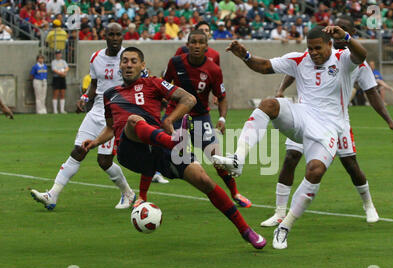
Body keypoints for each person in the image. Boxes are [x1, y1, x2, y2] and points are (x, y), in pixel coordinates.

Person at [81, 46, 266, 249]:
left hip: (158, 149)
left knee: (204, 180)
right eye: (125, 61)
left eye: (134, 61)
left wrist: (170, 119)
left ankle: (246, 230)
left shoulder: (154, 83)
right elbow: (111, 127)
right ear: (120, 65)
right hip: (130, 151)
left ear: (143, 65)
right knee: (134, 120)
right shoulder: (110, 94)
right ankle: (173, 142)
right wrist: (96, 142)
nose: (128, 64)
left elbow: (189, 99)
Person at [213, 26, 368, 249]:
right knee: (268, 105)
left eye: (318, 48)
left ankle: (285, 225)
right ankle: (238, 158)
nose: (313, 52)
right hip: (302, 115)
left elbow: (361, 55)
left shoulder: (342, 59)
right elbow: (265, 66)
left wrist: (346, 37)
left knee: (315, 171)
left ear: (329, 45)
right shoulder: (299, 59)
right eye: (310, 48)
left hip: (328, 128)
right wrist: (245, 56)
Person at [260, 16, 393, 228]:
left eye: (342, 29)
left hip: (337, 122)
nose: (335, 32)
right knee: (290, 158)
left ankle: (368, 204)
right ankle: (279, 212)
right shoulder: (317, 54)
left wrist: (389, 120)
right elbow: (295, 69)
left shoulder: (354, 60)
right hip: (305, 116)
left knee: (351, 165)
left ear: (350, 32)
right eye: (333, 28)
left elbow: (371, 92)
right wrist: (281, 89)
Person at [136, 30, 252, 208]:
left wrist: (222, 118)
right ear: (187, 44)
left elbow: (221, 97)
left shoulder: (213, 69)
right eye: (193, 42)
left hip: (201, 118)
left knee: (216, 157)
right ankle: (141, 197)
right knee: (156, 151)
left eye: (200, 42)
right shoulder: (175, 63)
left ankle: (235, 193)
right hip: (176, 115)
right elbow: (162, 86)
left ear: (206, 46)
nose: (196, 46)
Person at [30, 23, 135, 211]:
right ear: (105, 36)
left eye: (118, 34)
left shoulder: (129, 58)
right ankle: (52, 195)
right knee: (78, 151)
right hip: (95, 112)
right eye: (110, 34)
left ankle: (128, 192)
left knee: (104, 162)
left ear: (122, 36)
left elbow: (140, 83)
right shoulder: (96, 57)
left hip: (115, 115)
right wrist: (85, 97)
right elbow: (94, 84)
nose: (114, 38)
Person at [50, 50, 69, 114]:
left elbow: (67, 68)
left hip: (62, 78)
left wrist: (64, 72)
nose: (58, 55)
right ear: (55, 55)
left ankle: (62, 110)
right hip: (56, 78)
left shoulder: (63, 61)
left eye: (59, 54)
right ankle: (55, 110)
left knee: (62, 93)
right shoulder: (53, 62)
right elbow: (54, 70)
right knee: (56, 93)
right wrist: (61, 73)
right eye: (57, 54)